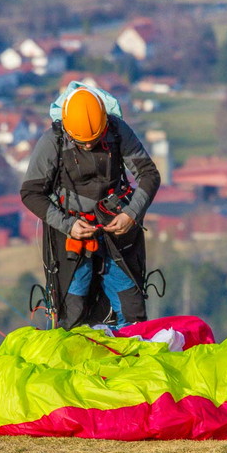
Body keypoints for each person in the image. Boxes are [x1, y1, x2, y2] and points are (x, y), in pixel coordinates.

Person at [21, 86, 161, 330]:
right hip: (71, 239)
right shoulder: (52, 141)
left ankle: (132, 361)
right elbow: (31, 193)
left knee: (132, 309)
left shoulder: (117, 131)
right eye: (81, 143)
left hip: (117, 234)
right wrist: (68, 225)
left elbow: (149, 174)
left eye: (94, 141)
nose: (88, 147)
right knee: (71, 311)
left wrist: (131, 213)